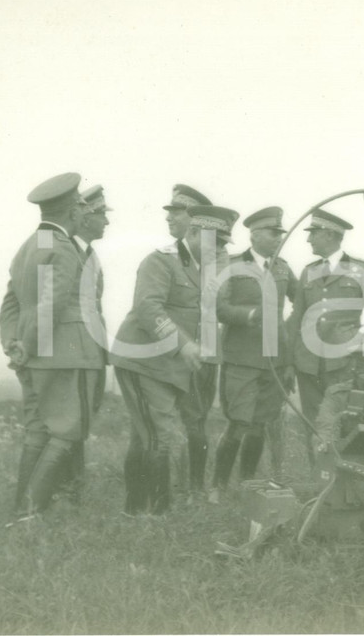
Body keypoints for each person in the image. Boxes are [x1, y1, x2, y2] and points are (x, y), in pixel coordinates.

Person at [111, 204, 236, 515]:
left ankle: (135, 511)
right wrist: (182, 344)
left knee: (148, 437)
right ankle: (158, 513)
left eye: (222, 244)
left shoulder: (201, 270)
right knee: (159, 436)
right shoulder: (160, 261)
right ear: (192, 233)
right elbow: (148, 307)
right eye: (213, 242)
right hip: (142, 361)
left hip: (166, 368)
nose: (218, 249)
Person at [0, 172, 105, 523]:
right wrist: (27, 347)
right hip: (65, 353)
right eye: (80, 206)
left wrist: (13, 344)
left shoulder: (28, 246)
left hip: (34, 355)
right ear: (72, 210)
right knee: (67, 431)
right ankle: (30, 512)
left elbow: (12, 302)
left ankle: (21, 510)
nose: (82, 212)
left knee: (38, 430)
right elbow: (52, 306)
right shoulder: (61, 249)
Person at [288, 209, 364, 467]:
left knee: (344, 423)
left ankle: (346, 486)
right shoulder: (308, 271)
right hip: (308, 365)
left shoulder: (362, 270)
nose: (309, 240)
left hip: (344, 365)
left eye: (313, 234)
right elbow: (297, 318)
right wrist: (289, 360)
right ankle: (320, 484)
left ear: (330, 234)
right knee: (314, 426)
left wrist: (359, 347)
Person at [211, 206, 298, 502]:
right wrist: (249, 315)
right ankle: (218, 487)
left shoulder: (283, 267)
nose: (278, 239)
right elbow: (218, 308)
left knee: (260, 424)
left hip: (275, 362)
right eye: (273, 234)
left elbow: (301, 301)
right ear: (256, 235)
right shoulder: (233, 265)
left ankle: (246, 484)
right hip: (242, 360)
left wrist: (287, 335)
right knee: (238, 422)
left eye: (280, 234)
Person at [163, 184, 219, 500]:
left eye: (176, 212)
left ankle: (194, 487)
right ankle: (175, 485)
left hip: (203, 351)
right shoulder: (170, 257)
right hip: (174, 351)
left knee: (195, 420)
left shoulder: (214, 255)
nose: (169, 218)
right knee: (172, 420)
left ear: (195, 220)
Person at [58, 183, 112, 503]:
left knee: (81, 420)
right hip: (73, 352)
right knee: (70, 421)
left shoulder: (88, 254)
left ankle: (72, 490)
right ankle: (67, 492)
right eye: (102, 214)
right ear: (85, 216)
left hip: (90, 351)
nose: (107, 221)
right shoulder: (68, 251)